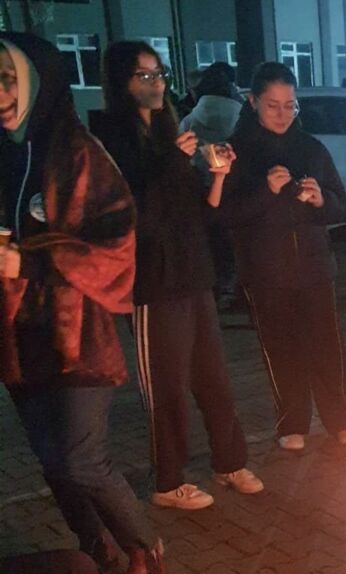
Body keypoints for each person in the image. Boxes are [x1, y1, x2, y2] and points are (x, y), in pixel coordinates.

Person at [0, 32, 163, 573]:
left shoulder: (76, 153)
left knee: (82, 460)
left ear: (36, 81)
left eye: (9, 79)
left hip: (79, 341)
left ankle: (145, 549)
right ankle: (96, 550)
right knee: (52, 462)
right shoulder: (4, 154)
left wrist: (34, 260)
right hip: (22, 342)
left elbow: (118, 244)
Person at [94, 40, 262, 510]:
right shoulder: (111, 139)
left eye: (159, 75)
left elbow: (196, 211)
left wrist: (219, 175)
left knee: (214, 377)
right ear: (120, 82)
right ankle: (167, 482)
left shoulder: (169, 130)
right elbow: (130, 213)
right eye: (143, 76)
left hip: (193, 273)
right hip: (153, 280)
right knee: (166, 387)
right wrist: (170, 158)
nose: (155, 84)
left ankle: (229, 462)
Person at [214, 62, 346, 451]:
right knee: (282, 349)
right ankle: (292, 421)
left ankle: (339, 417)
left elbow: (340, 206)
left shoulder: (311, 148)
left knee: (327, 347)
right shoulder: (237, 152)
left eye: (289, 105)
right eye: (272, 105)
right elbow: (224, 215)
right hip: (265, 272)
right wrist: (265, 190)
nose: (282, 114)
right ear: (252, 102)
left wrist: (319, 200)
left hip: (314, 268)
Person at [179, 64, 244, 311]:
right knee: (237, 243)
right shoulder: (242, 117)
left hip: (203, 188)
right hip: (237, 188)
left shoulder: (190, 121)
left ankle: (217, 290)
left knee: (215, 243)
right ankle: (238, 290)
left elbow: (181, 159)